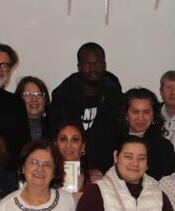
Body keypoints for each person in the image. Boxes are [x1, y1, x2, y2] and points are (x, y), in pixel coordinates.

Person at [46, 42, 123, 173]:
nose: (93, 68)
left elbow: (119, 136)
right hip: (67, 170)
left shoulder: (114, 95)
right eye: (87, 64)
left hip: (107, 171)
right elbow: (53, 137)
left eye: (97, 63)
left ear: (104, 65)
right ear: (79, 66)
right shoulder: (62, 97)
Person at [116, 87, 175, 180]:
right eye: (135, 112)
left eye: (146, 112)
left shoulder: (163, 147)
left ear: (153, 115)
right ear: (126, 114)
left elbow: (174, 182)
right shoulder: (113, 142)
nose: (140, 118)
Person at [52, 120, 102, 199]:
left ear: (83, 146)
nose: (68, 145)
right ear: (55, 144)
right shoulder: (44, 174)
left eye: (75, 140)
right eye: (63, 139)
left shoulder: (95, 177)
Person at [16, 75, 49, 141]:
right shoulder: (10, 127)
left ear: (45, 100)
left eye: (39, 94)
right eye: (27, 94)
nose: (34, 99)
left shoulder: (53, 128)